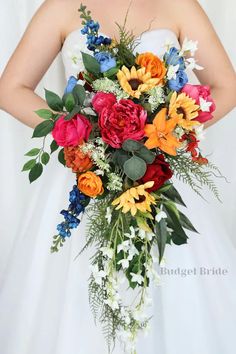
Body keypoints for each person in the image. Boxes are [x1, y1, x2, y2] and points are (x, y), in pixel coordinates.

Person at [0, 1, 235, 354]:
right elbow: (11, 88)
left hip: (159, 171)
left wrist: (170, 129)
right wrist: (81, 131)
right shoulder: (61, 7)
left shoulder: (180, 4)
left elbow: (226, 87)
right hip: (84, 177)